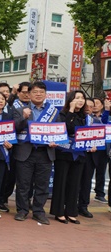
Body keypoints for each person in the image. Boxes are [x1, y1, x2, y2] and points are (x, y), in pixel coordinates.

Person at [12, 81, 58, 225]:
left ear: (45, 94)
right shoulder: (20, 110)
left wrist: (55, 140)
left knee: (42, 185)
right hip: (25, 151)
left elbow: (58, 131)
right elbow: (14, 129)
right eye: (35, 92)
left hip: (45, 152)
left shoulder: (54, 112)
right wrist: (24, 118)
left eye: (41, 92)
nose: (38, 94)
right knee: (23, 184)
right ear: (29, 94)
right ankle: (22, 210)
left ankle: (38, 211)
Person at [50, 90, 91, 225]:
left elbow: (88, 134)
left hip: (79, 154)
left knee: (75, 183)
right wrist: (71, 111)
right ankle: (59, 212)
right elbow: (66, 128)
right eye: (77, 98)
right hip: (64, 152)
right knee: (61, 182)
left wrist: (93, 144)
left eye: (82, 98)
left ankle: (72, 212)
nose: (80, 100)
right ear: (70, 100)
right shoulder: (63, 114)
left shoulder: (86, 117)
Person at [0, 81, 31, 212]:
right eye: (24, 92)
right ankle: (3, 199)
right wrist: (11, 94)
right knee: (9, 175)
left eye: (30, 92)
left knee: (27, 178)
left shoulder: (34, 106)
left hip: (28, 146)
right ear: (18, 92)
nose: (27, 95)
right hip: (13, 144)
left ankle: (26, 200)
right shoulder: (13, 105)